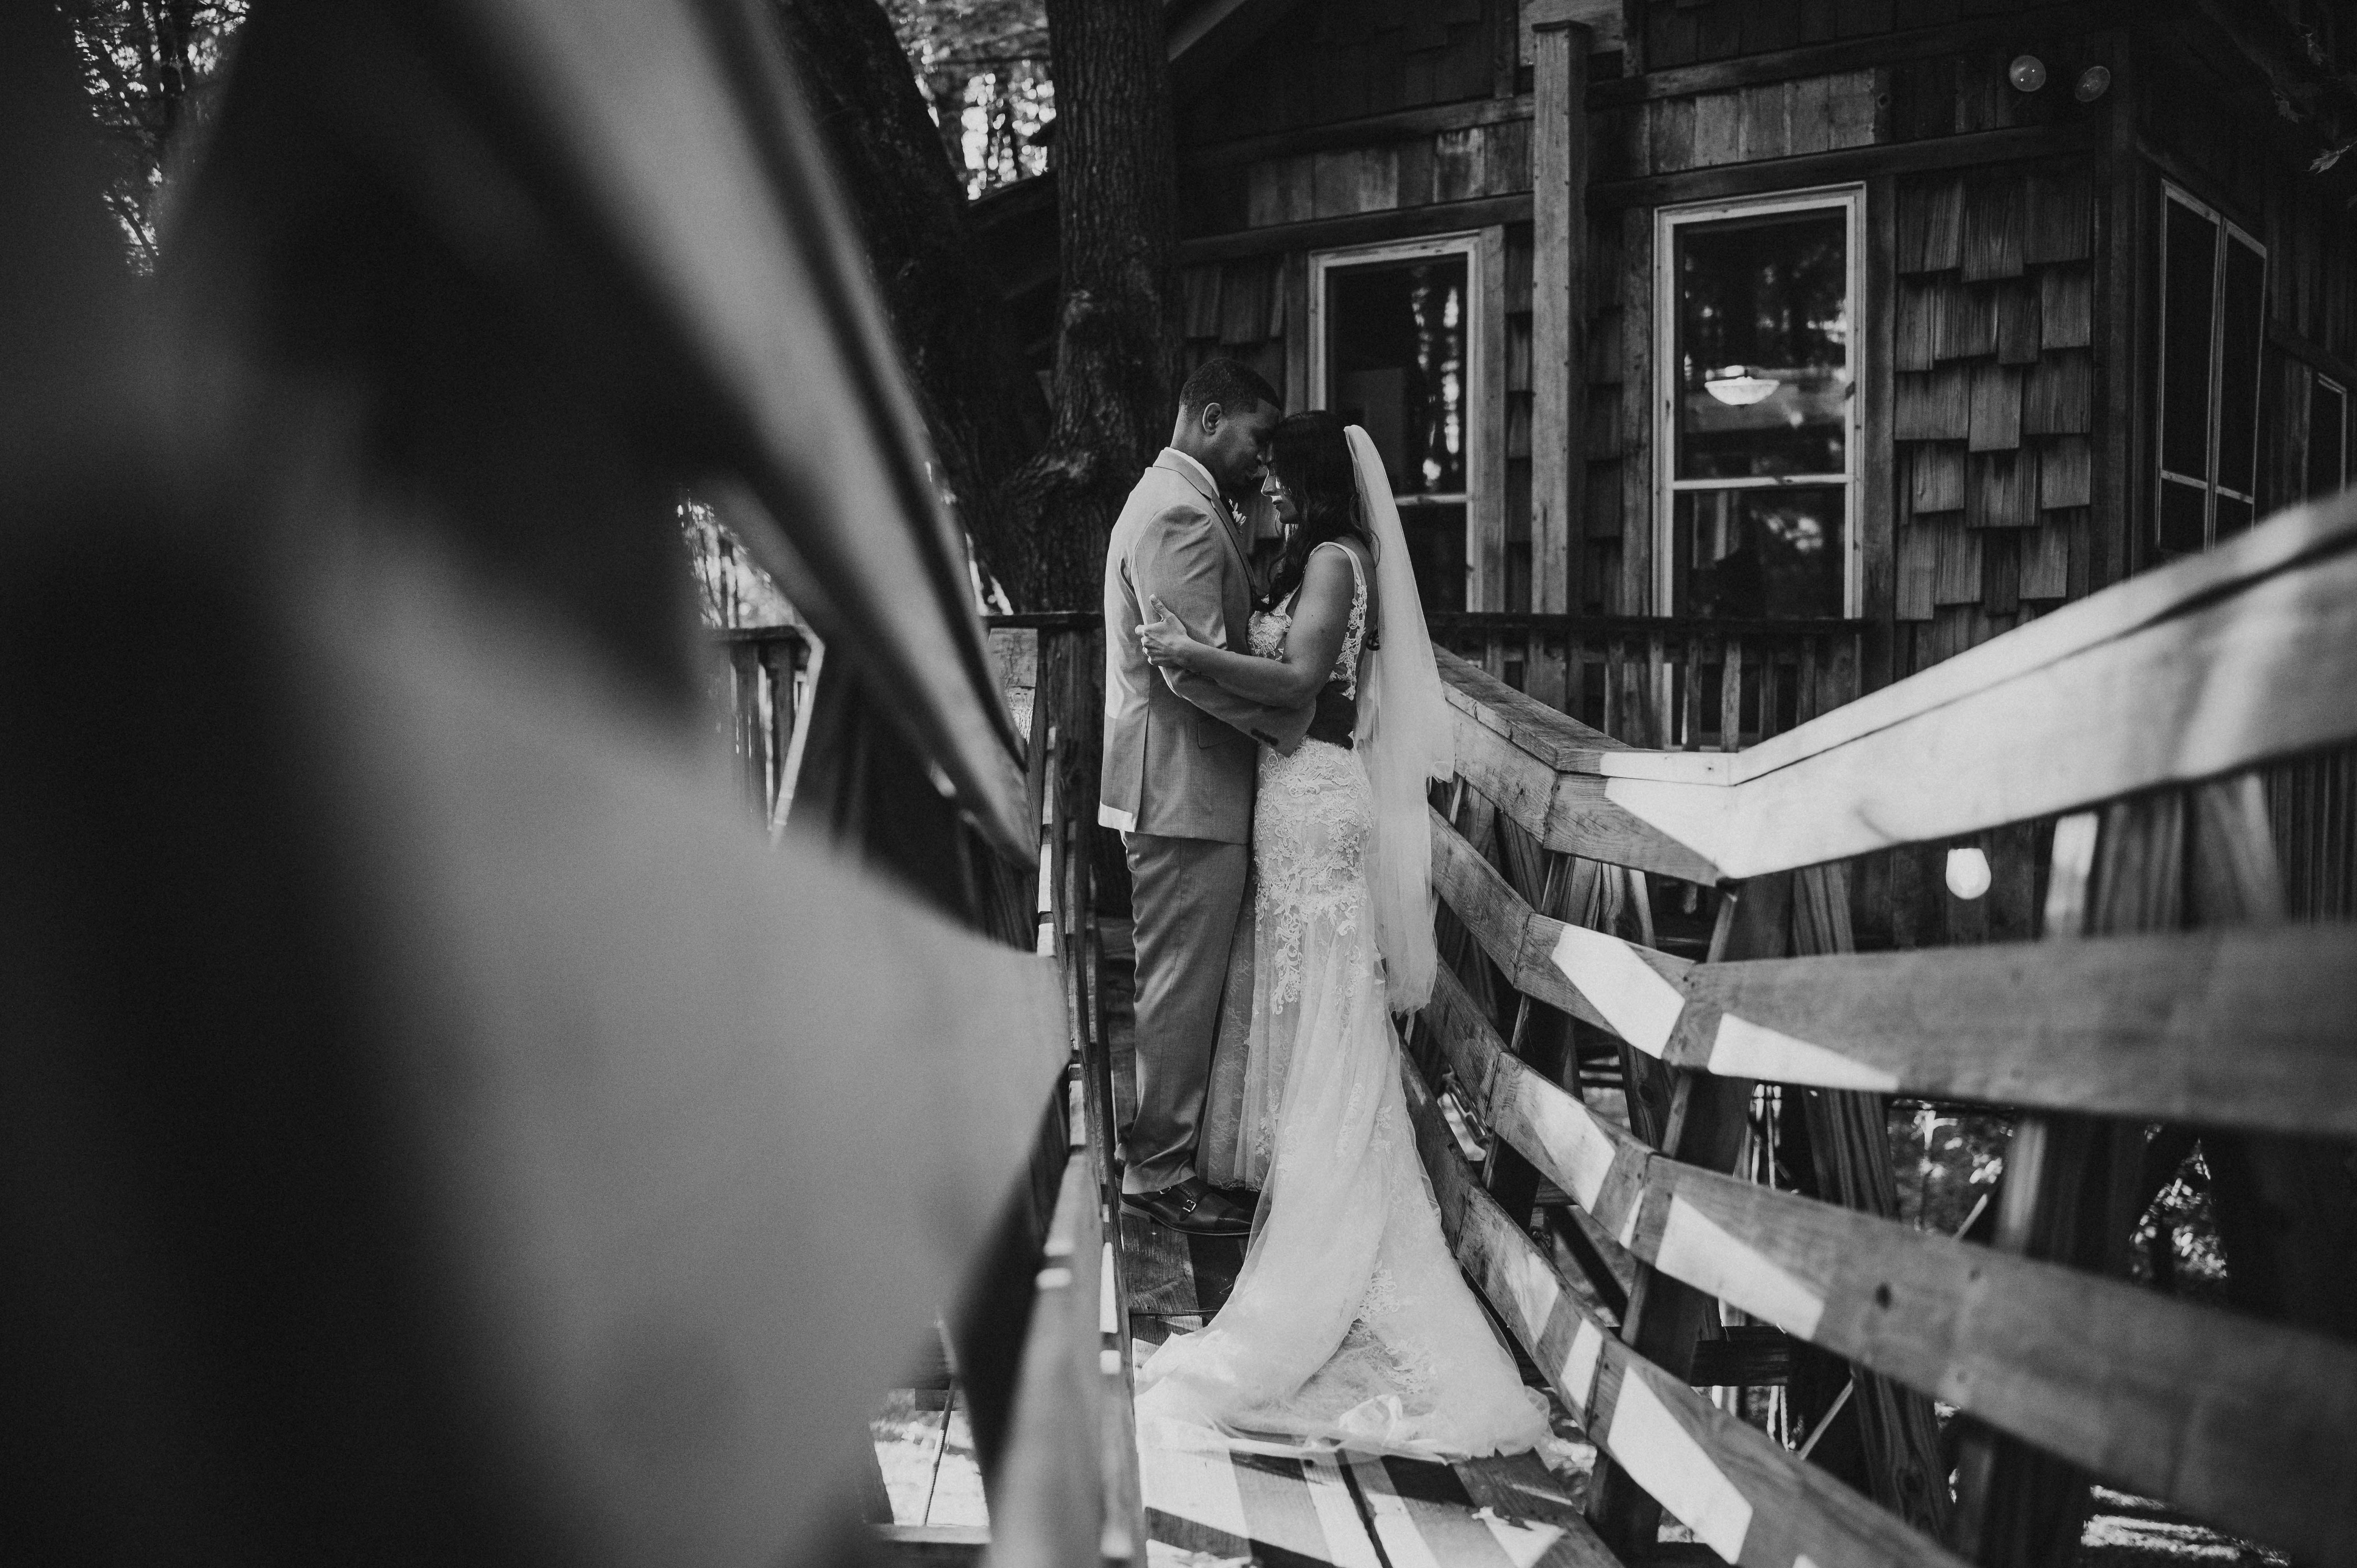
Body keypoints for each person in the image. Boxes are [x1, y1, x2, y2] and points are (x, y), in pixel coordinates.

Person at [1128, 412, 1558, 1460]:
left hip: (1317, 802)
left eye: (1276, 475)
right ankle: (1318, 1200)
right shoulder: (1313, 559)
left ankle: (1337, 1232)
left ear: (1311, 481)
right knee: (1315, 1011)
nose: (1265, 490)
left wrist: (1188, 650)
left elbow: (1300, 685)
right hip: (1294, 795)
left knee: (1331, 1012)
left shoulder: (1332, 559)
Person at [1100, 358, 1315, 1238]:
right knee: (1179, 989)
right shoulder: (1181, 512)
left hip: (1181, 785)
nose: (1264, 461)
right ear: (1210, 416)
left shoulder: (1173, 500)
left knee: (1179, 981)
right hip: (1184, 787)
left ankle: (1170, 1153)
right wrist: (1289, 724)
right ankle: (1156, 1171)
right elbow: (1188, 669)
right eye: (1257, 439)